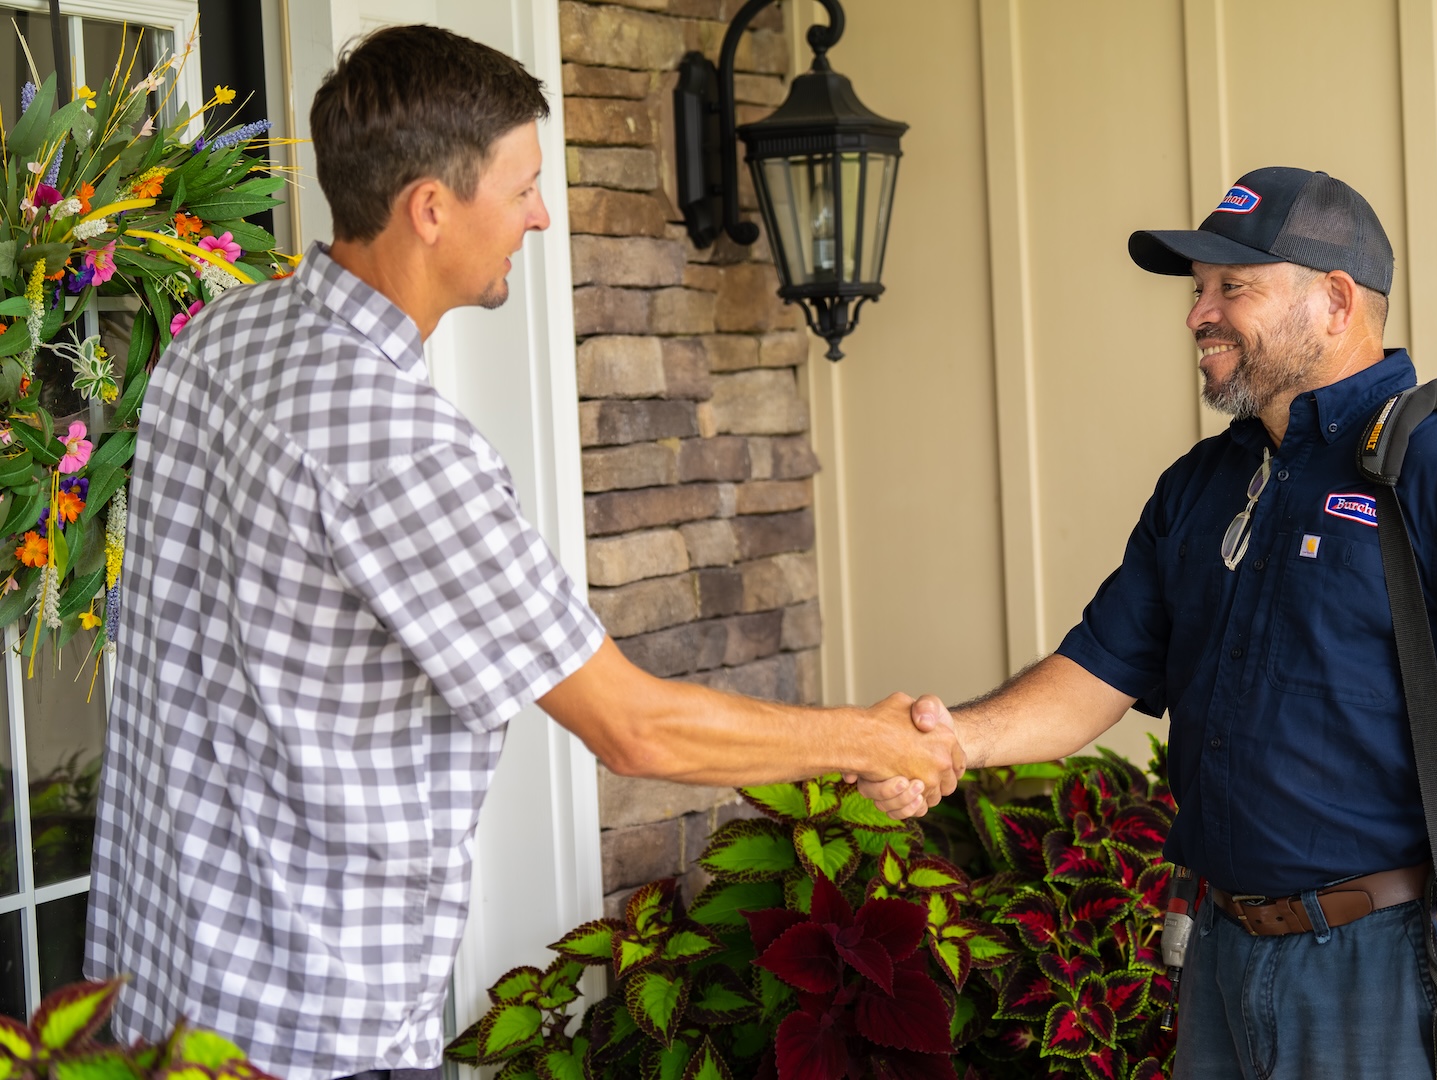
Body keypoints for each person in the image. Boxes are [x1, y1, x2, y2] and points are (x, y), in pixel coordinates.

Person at [83, 25, 962, 1080]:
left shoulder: (223, 340)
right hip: (309, 1031)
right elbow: (633, 727)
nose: (540, 215)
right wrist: (875, 743)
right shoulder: (399, 451)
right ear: (430, 208)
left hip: (159, 990)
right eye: (524, 187)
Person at [864, 167, 1437, 1079]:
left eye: (1233, 287)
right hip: (1221, 959)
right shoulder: (1203, 484)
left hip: (1390, 968)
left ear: (1335, 301)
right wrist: (951, 741)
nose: (1198, 315)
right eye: (1197, 290)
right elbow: (1094, 674)